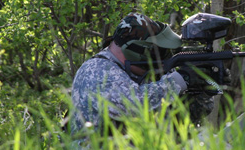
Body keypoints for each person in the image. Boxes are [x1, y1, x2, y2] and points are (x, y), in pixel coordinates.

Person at [68, 13, 210, 137]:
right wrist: (179, 80)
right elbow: (134, 107)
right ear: (136, 50)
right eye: (159, 53)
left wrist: (202, 89)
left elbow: (182, 119)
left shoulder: (139, 73)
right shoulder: (97, 71)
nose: (163, 61)